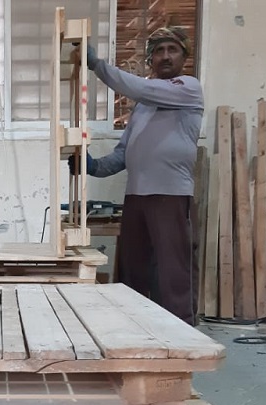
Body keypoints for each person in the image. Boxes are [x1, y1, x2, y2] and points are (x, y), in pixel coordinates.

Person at [74, 28, 203, 325]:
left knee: (173, 269)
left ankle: (182, 331)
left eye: (172, 49)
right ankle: (133, 326)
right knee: (133, 268)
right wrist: (93, 167)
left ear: (184, 56)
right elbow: (124, 152)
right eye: (159, 51)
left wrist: (97, 65)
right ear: (151, 59)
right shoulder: (143, 106)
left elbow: (140, 88)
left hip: (170, 195)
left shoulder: (187, 88)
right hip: (136, 196)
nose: (165, 56)